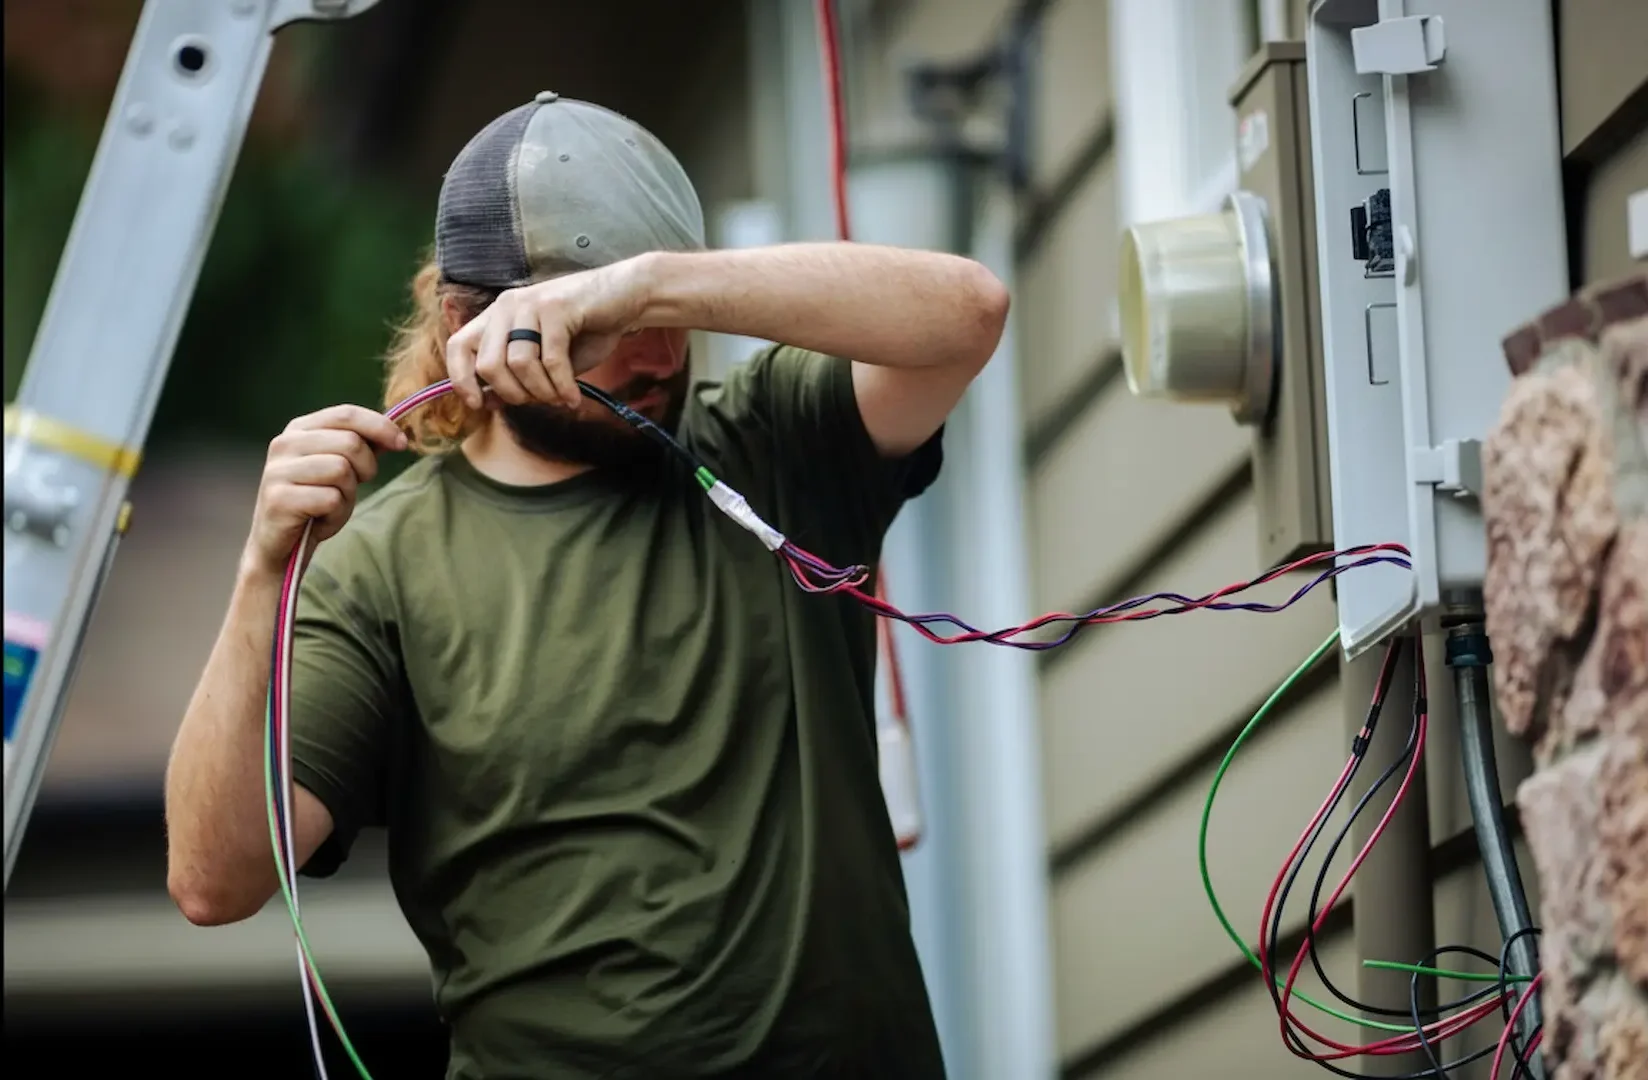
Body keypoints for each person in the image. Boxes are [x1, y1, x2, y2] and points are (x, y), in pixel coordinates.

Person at [164, 92, 1007, 1079]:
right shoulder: (379, 568)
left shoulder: (773, 441)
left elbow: (969, 311)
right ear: (462, 321)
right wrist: (261, 571)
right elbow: (215, 880)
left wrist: (648, 289)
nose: (653, 357)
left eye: (654, 315)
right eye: (592, 321)